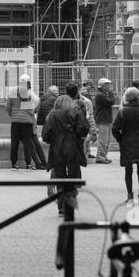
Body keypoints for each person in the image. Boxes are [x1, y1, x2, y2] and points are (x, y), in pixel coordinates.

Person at [43, 82, 91, 217]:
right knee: (73, 175)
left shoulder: (53, 114)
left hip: (57, 149)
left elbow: (46, 134)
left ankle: (61, 206)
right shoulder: (75, 110)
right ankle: (70, 202)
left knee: (60, 176)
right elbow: (83, 128)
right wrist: (77, 136)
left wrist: (53, 139)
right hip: (72, 147)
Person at [112, 86, 139, 205]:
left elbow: (115, 128)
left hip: (127, 143)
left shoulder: (122, 111)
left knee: (128, 170)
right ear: (138, 97)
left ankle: (130, 196)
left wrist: (121, 139)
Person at [6, 75, 41, 170]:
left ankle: (14, 164)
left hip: (15, 122)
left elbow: (7, 107)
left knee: (14, 143)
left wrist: (12, 116)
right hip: (27, 122)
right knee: (27, 143)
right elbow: (35, 105)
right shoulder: (29, 93)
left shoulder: (13, 92)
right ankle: (28, 164)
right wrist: (33, 112)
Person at [35, 85, 60, 169]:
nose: (58, 92)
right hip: (50, 123)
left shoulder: (42, 98)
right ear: (53, 92)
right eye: (57, 91)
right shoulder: (55, 99)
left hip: (40, 122)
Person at [93, 77, 116, 164]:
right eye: (107, 84)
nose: (109, 86)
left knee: (106, 140)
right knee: (103, 140)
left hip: (105, 119)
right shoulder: (100, 95)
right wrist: (111, 93)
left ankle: (103, 156)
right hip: (103, 119)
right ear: (102, 85)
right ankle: (100, 157)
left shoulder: (103, 93)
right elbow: (111, 102)